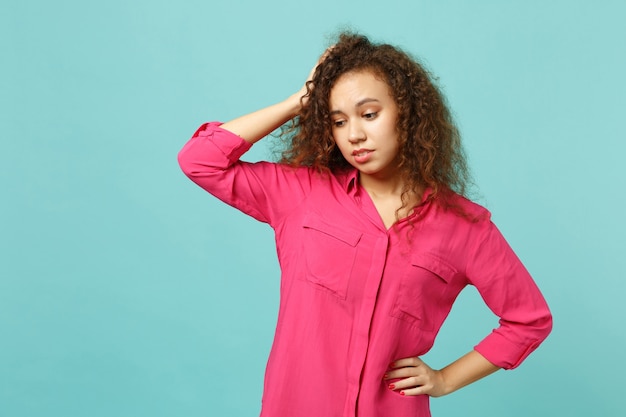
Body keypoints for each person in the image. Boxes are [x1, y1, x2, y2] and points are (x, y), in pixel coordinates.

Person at [178, 32, 552, 417]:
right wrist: (298, 102)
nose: (354, 134)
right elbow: (200, 160)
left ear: (407, 114)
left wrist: (445, 380)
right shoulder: (301, 195)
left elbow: (528, 320)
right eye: (338, 121)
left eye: (369, 114)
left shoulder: (464, 226)